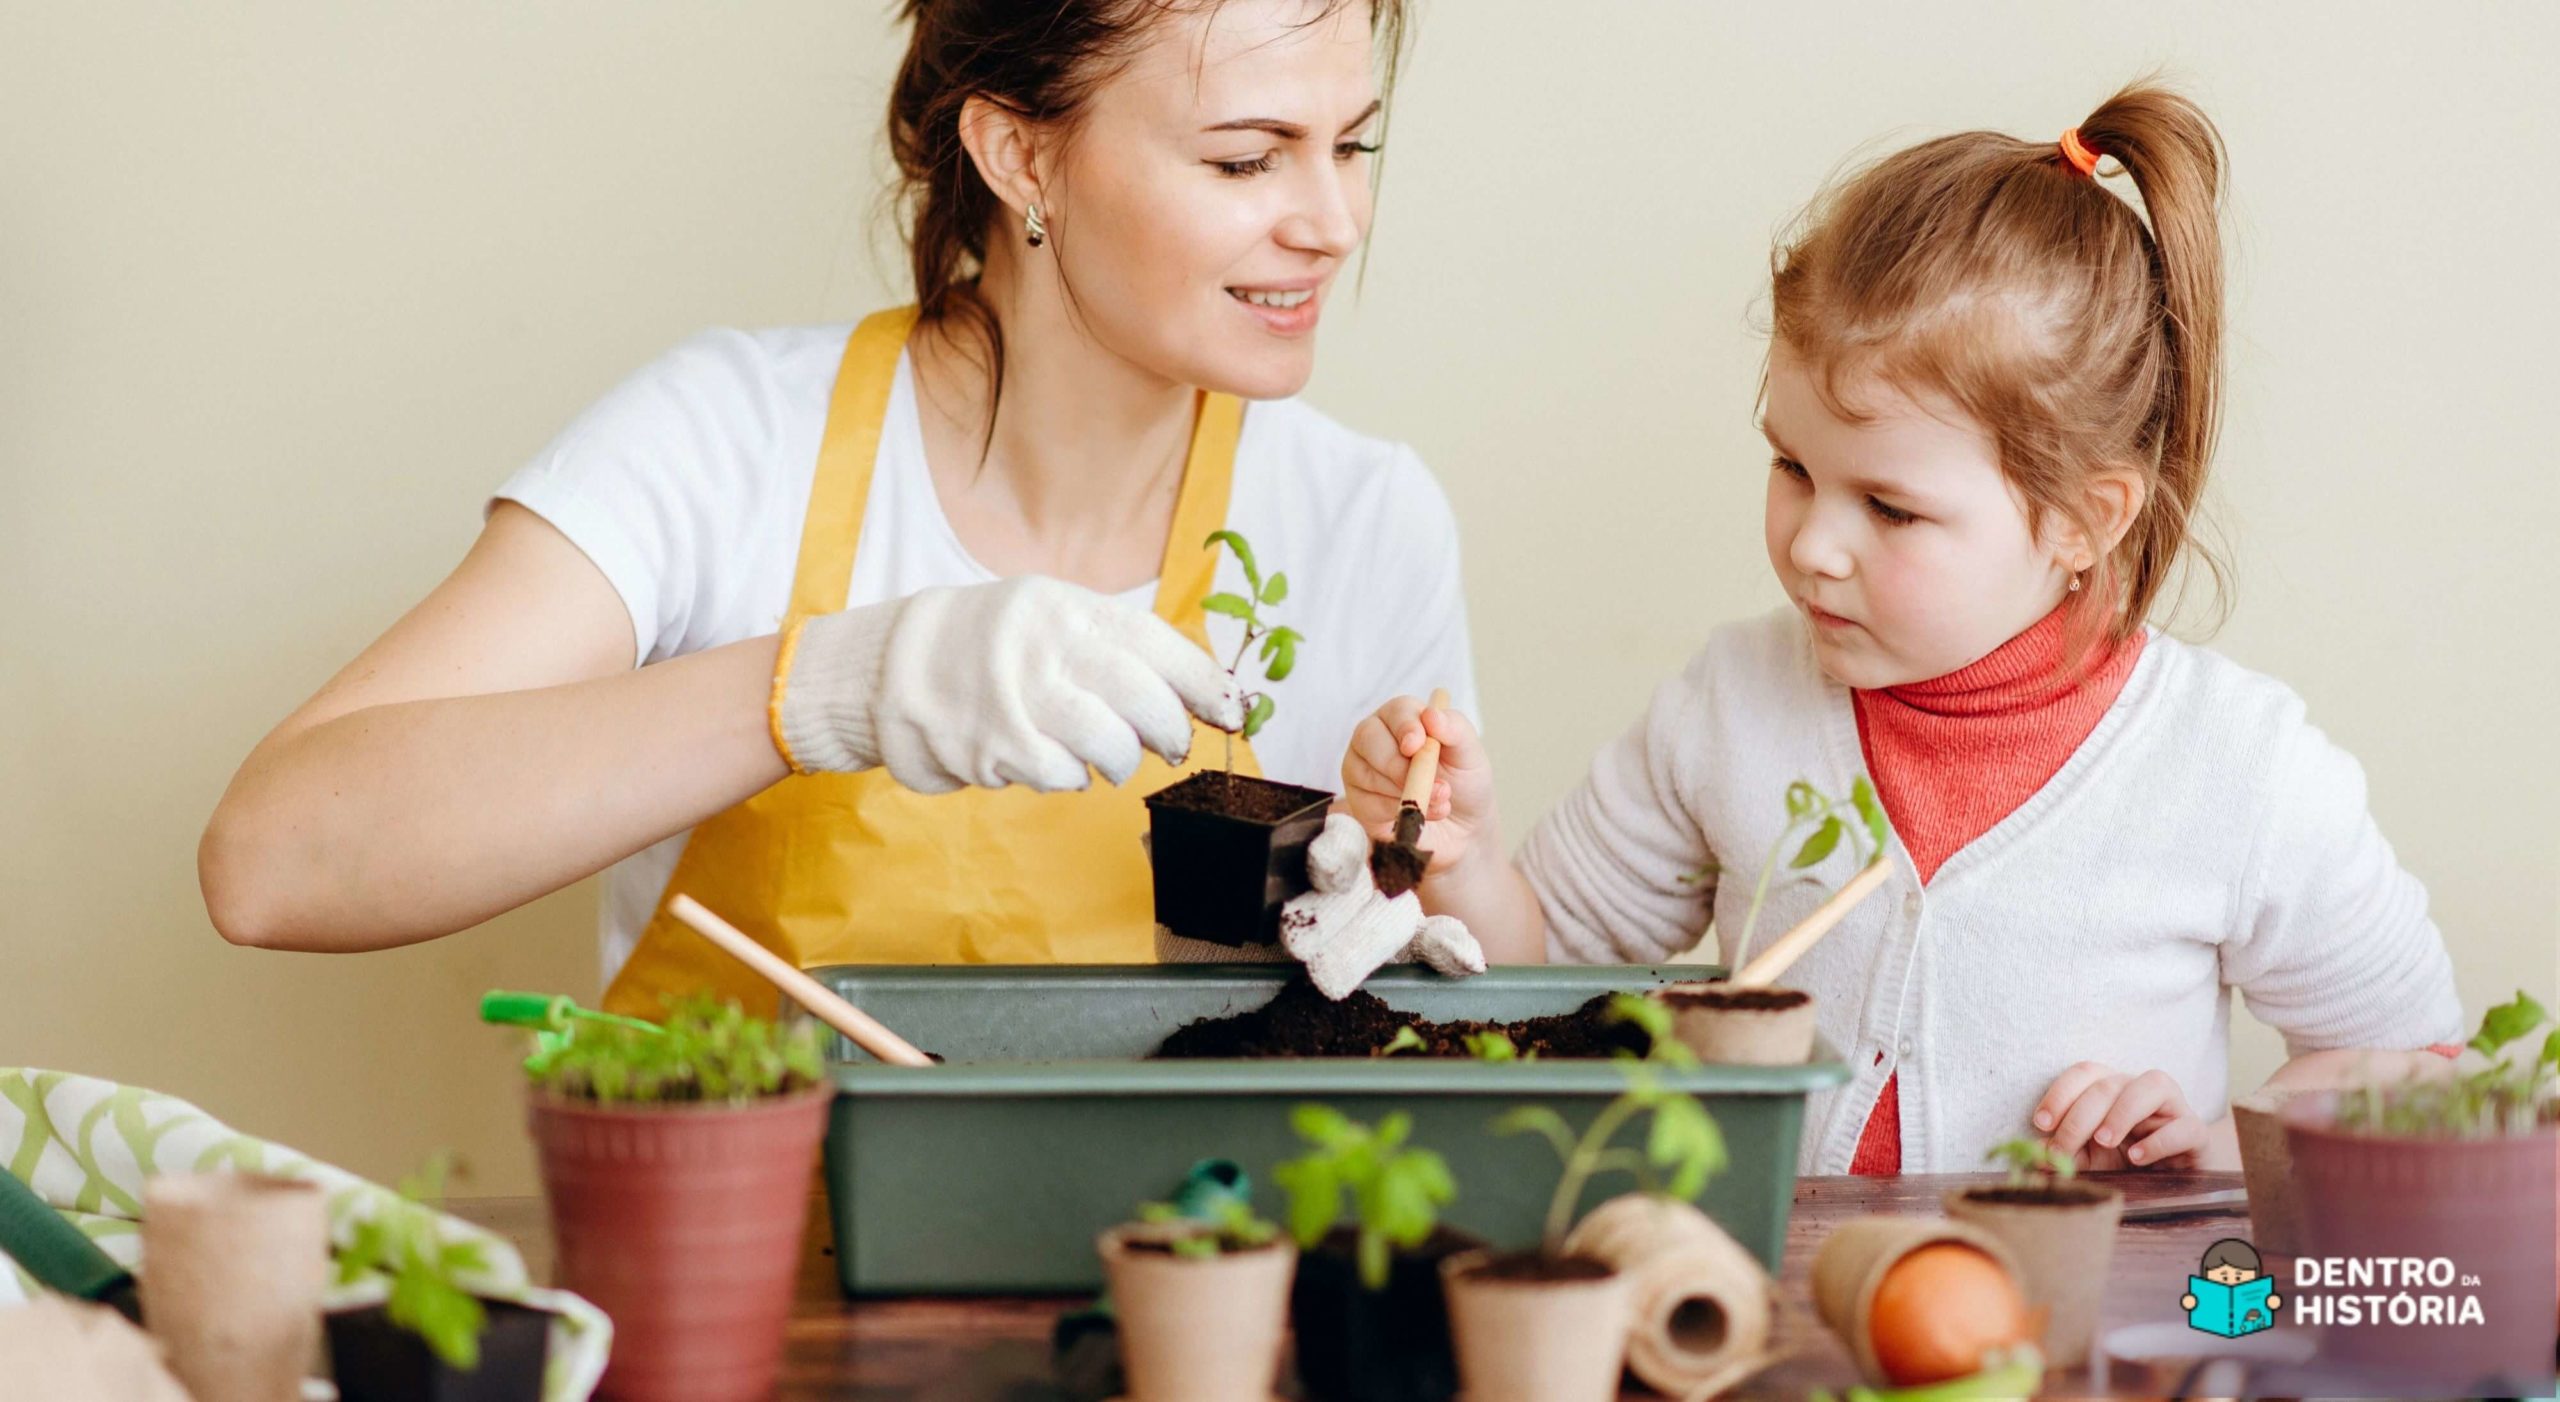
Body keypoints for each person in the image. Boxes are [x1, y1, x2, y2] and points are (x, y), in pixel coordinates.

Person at [199, 0, 1476, 1016]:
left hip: (1183, 1260)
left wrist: (1419, 867)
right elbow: (271, 862)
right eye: (1246, 158)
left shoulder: (1362, 518)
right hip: (735, 1263)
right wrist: (826, 687)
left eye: (1350, 148)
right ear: (1019, 154)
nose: (1334, 223)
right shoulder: (728, 442)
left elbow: (1503, 975)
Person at [1337, 83, 2463, 1174]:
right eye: (1792, 467)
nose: (1813, 547)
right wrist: (1465, 859)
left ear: (2083, 520)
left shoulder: (2240, 768)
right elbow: (1541, 977)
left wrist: (2216, 1147)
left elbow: (2419, 1073)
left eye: (1889, 508)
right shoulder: (1729, 703)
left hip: (2076, 1302)